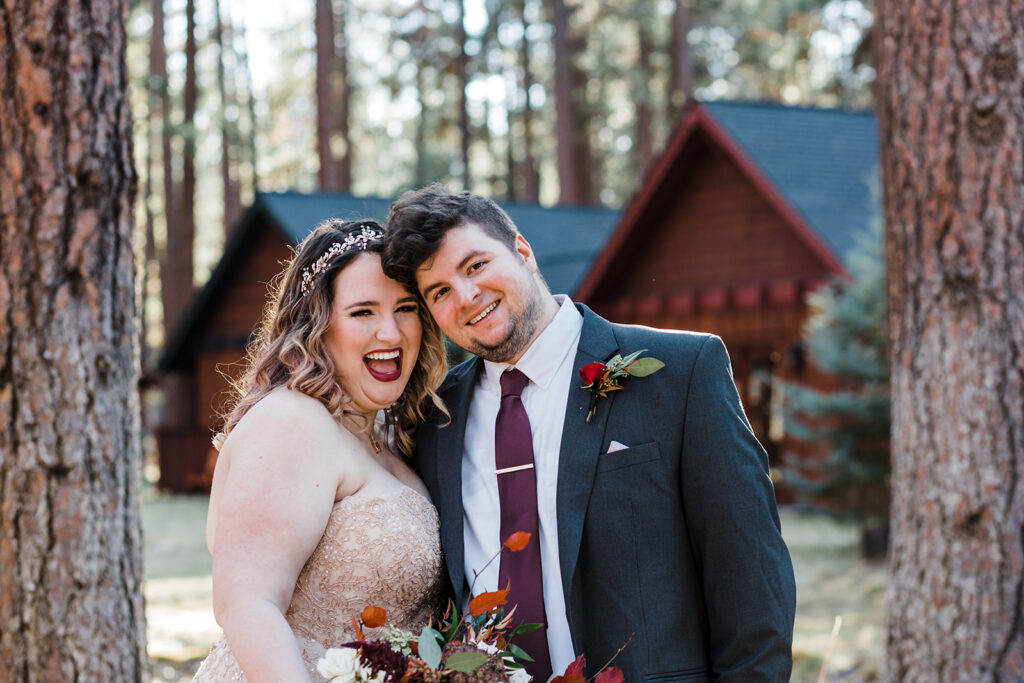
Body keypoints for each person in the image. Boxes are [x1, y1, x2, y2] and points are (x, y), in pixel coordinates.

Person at [381, 185, 797, 682]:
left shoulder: (682, 373)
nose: (467, 297)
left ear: (522, 251)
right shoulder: (432, 420)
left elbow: (752, 586)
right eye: (440, 292)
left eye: (475, 266)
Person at [192, 219, 449, 682]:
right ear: (317, 325)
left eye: (406, 308)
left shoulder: (387, 438)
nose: (390, 334)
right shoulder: (291, 421)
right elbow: (247, 603)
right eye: (363, 312)